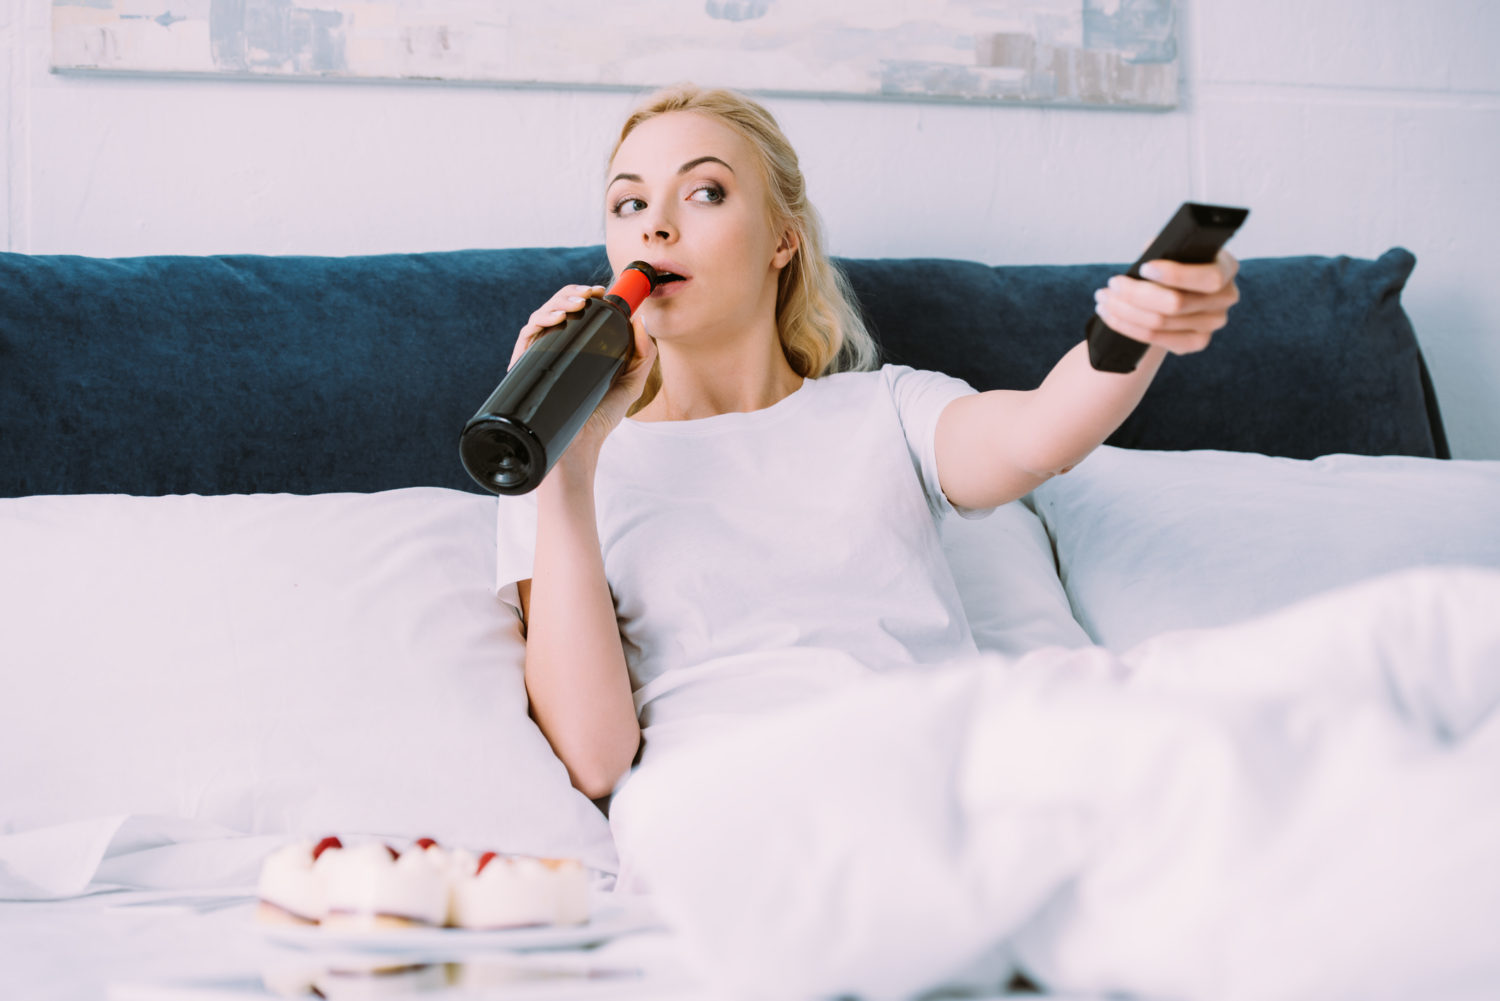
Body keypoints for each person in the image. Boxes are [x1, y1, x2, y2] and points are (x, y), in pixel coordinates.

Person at [495, 83, 1241, 803]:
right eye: (629, 203)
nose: (654, 226)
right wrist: (568, 458)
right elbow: (593, 761)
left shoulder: (887, 408)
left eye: (705, 192)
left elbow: (1039, 434)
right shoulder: (556, 462)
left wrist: (1139, 329)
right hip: (734, 810)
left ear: (782, 240)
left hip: (939, 783)